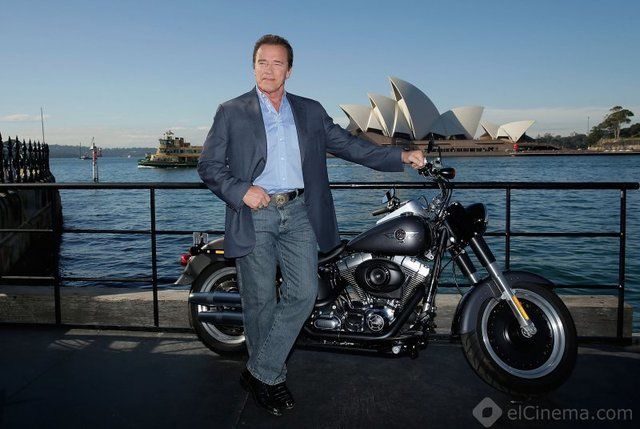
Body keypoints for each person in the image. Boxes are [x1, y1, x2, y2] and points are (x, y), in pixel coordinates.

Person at [197, 34, 426, 416]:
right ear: (253, 66)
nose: (268, 70)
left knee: (303, 295)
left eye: (277, 63)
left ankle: (258, 371)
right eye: (262, 62)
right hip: (255, 213)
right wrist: (241, 190)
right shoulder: (231, 111)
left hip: (300, 212)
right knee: (259, 301)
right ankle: (271, 378)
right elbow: (208, 165)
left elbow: (350, 146)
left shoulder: (310, 110)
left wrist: (400, 156)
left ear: (289, 70)